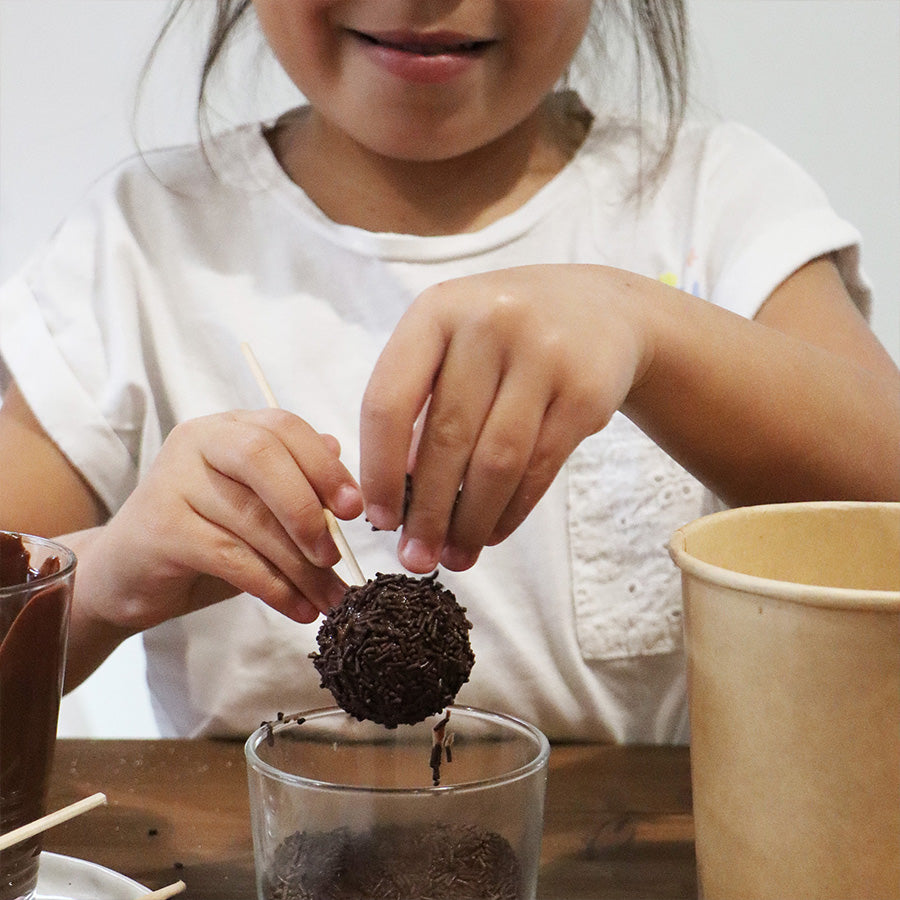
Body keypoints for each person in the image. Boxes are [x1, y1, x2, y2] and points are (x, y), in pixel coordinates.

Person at [0, 0, 897, 741]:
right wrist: (107, 579)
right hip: (262, 856)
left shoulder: (712, 204)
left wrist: (652, 332)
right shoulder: (144, 243)